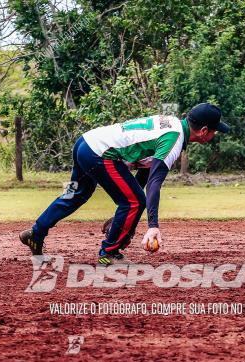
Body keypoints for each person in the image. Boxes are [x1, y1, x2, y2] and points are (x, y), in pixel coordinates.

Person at [19, 103, 229, 264]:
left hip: (86, 143)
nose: (214, 134)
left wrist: (123, 220)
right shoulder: (173, 140)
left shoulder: (172, 124)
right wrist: (153, 226)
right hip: (100, 154)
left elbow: (144, 177)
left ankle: (35, 234)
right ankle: (108, 254)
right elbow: (154, 183)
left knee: (74, 195)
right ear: (203, 131)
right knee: (135, 202)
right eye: (214, 130)